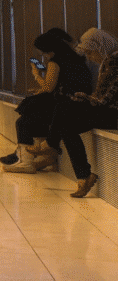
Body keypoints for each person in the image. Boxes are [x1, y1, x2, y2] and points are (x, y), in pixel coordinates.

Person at [29, 28, 118, 197]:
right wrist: (84, 98)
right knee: (66, 125)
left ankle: (52, 145)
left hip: (112, 114)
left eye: (91, 53)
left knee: (64, 107)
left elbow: (105, 100)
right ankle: (84, 177)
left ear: (99, 47)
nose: (91, 58)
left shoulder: (114, 61)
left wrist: (84, 99)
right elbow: (101, 97)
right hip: (107, 111)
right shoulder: (108, 60)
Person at [2, 28, 91, 173]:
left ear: (48, 49)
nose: (42, 55)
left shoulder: (56, 61)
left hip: (63, 105)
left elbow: (49, 88)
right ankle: (38, 157)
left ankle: (26, 160)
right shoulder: (73, 58)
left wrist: (36, 74)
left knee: (24, 121)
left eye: (42, 52)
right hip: (73, 102)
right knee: (32, 117)